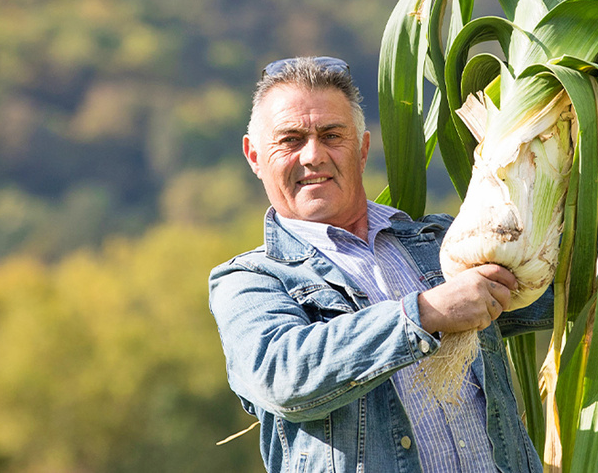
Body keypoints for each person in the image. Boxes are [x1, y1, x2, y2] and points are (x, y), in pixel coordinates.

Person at [209, 56, 551, 473]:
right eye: (291, 139)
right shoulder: (250, 279)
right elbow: (283, 377)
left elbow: (569, 285)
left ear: (363, 147)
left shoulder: (446, 241)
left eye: (332, 135)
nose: (313, 155)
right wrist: (426, 313)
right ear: (254, 155)